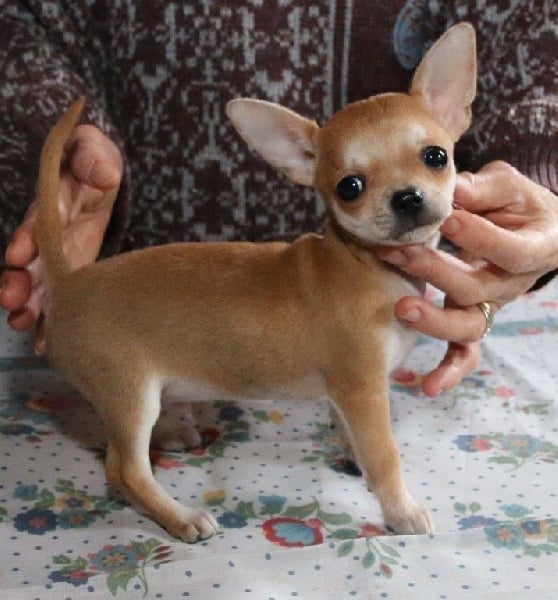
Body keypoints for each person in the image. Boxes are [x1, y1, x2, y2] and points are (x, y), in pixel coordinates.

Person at [1, 1, 556, 387]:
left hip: (438, 303)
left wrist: (540, 178)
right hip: (147, 295)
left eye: (432, 158)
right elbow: (21, 24)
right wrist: (56, 138)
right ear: (299, 162)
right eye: (354, 186)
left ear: (451, 112)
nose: (406, 195)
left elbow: (537, 43)